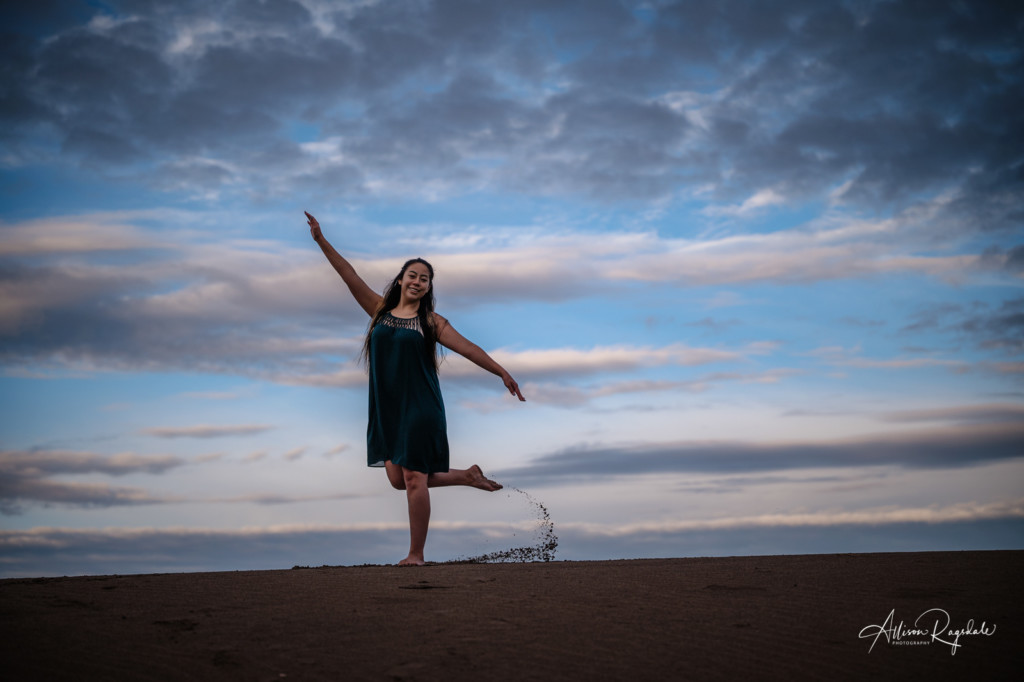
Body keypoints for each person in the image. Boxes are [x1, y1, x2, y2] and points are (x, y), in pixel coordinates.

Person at [306, 211, 526, 566]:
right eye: (413, 275)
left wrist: (500, 371)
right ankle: (467, 475)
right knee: (398, 479)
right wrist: (321, 240)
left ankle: (416, 554)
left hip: (420, 406)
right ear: (401, 279)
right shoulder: (379, 311)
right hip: (387, 407)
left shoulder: (432, 323)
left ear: (428, 287)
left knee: (412, 478)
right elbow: (349, 275)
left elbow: (469, 348)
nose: (418, 282)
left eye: (425, 279)